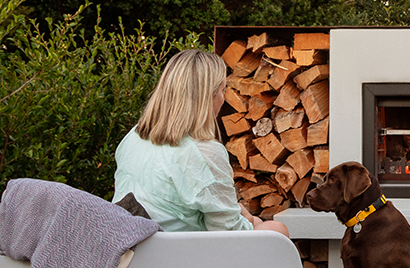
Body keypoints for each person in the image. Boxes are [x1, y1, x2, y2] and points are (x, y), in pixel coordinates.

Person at [113, 49, 291, 238]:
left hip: (133, 247)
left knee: (253, 220)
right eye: (223, 90)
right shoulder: (203, 152)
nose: (224, 98)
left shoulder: (134, 136)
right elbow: (229, 235)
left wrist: (246, 218)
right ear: (207, 97)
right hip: (176, 256)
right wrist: (251, 222)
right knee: (277, 231)